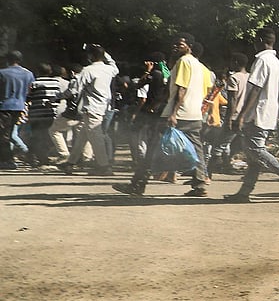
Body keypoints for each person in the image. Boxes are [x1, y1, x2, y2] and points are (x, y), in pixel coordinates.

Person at [116, 33, 211, 197]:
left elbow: (181, 89)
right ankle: (200, 183)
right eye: (174, 44)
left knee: (152, 147)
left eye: (179, 44)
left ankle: (137, 184)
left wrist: (172, 113)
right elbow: (205, 90)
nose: (175, 47)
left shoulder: (183, 62)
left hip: (178, 115)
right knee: (197, 149)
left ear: (189, 46)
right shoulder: (201, 66)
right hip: (194, 114)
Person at [227, 29, 279, 201]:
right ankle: (244, 192)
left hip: (258, 114)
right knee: (252, 157)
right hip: (267, 113)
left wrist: (242, 115)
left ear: (261, 40)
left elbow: (255, 88)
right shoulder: (276, 62)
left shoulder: (262, 60)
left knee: (256, 150)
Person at [58, 44, 119, 177]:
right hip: (103, 107)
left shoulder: (88, 70)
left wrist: (59, 97)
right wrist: (105, 52)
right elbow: (114, 66)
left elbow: (74, 89)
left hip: (91, 108)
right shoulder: (109, 69)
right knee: (82, 137)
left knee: (97, 139)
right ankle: (71, 163)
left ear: (90, 56)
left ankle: (104, 166)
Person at [25, 63, 68, 167]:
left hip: (36, 114)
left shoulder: (34, 83)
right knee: (47, 136)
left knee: (37, 136)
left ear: (38, 72)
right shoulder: (56, 82)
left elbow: (28, 97)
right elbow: (58, 97)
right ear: (50, 72)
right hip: (51, 114)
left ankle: (41, 158)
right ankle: (45, 156)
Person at [0, 51, 36, 170]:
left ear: (8, 60)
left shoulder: (2, 73)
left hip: (4, 107)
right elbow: (30, 91)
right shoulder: (29, 74)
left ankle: (7, 161)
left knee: (4, 135)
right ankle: (28, 156)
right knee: (10, 133)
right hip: (19, 106)